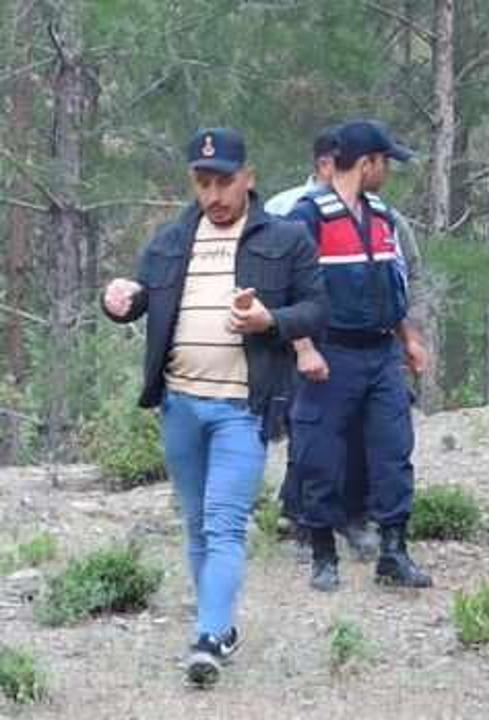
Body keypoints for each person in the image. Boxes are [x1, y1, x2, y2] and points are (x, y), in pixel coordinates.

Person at [101, 128, 328, 687]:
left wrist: (269, 321)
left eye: (225, 181)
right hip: (179, 404)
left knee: (225, 523)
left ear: (248, 178)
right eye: (204, 183)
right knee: (197, 525)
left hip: (242, 408)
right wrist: (120, 300)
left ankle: (208, 638)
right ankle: (220, 625)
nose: (215, 194)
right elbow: (145, 300)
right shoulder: (170, 240)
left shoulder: (288, 238)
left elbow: (317, 309)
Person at [267, 126, 429, 564]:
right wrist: (304, 349)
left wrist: (409, 339)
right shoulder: (306, 216)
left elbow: (392, 283)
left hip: (382, 353)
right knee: (320, 452)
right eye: (385, 162)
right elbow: (285, 291)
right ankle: (320, 549)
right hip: (330, 350)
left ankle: (394, 552)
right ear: (366, 163)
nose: (388, 171)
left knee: (394, 449)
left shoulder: (382, 215)